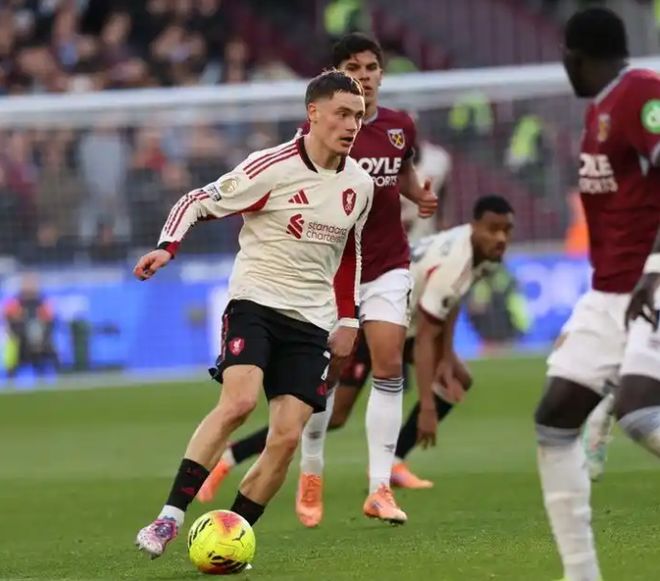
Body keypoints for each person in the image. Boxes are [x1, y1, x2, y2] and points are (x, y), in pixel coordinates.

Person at [197, 33, 437, 527]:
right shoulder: (324, 134)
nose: (365, 76)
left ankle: (379, 487)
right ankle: (311, 469)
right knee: (320, 379)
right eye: (354, 68)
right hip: (328, 272)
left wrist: (419, 196)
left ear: (381, 73)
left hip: (387, 264)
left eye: (371, 67)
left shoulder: (400, 127)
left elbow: (403, 174)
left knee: (390, 363)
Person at [134, 70, 374, 559]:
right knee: (240, 403)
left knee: (285, 439)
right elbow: (197, 200)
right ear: (314, 114)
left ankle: (230, 538)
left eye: (358, 115)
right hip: (256, 302)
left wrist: (349, 319)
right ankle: (169, 518)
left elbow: (350, 254)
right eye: (342, 114)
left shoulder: (360, 184)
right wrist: (167, 246)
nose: (352, 124)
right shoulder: (272, 166)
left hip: (312, 321)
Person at [197, 196, 513, 493]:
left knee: (458, 377)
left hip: (402, 322)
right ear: (475, 226)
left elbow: (451, 302)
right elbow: (427, 337)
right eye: (493, 229)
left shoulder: (479, 252)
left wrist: (448, 356)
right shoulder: (455, 261)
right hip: (372, 319)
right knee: (331, 414)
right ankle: (233, 454)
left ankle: (394, 463)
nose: (501, 237)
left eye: (506, 230)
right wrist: (428, 407)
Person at [533, 8, 660, 581]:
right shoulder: (600, 110)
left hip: (649, 282)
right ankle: (581, 574)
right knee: (556, 416)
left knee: (639, 412)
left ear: (574, 55)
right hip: (609, 294)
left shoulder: (641, 93)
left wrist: (655, 268)